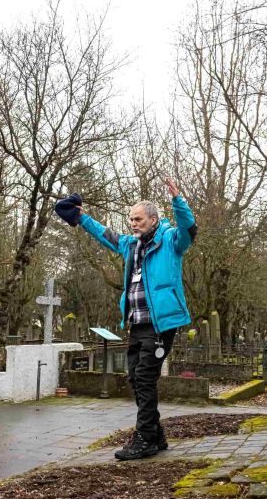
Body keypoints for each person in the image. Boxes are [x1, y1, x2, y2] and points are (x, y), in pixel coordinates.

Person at [56, 178, 197, 461]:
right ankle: (155, 434)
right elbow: (105, 235)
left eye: (138, 219)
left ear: (154, 220)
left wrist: (178, 201)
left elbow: (189, 229)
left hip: (160, 325)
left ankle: (144, 438)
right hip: (137, 322)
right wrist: (82, 217)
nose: (133, 224)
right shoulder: (130, 245)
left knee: (145, 378)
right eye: (131, 219)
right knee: (135, 377)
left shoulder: (170, 241)